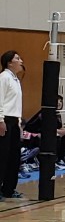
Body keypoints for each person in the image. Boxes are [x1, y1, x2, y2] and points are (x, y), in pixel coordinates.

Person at [23, 96, 65, 170]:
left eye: (61, 101)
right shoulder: (46, 113)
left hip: (42, 134)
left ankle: (60, 159)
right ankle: (52, 162)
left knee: (64, 135)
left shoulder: (57, 113)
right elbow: (50, 130)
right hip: (31, 136)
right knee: (55, 136)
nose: (59, 103)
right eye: (57, 101)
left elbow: (59, 128)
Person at [0, 50, 25, 199]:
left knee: (14, 156)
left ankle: (9, 189)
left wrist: (19, 123)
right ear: (9, 63)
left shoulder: (15, 80)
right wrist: (1, 120)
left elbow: (16, 104)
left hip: (14, 121)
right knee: (2, 156)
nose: (21, 61)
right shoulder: (4, 77)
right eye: (18, 58)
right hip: (5, 121)